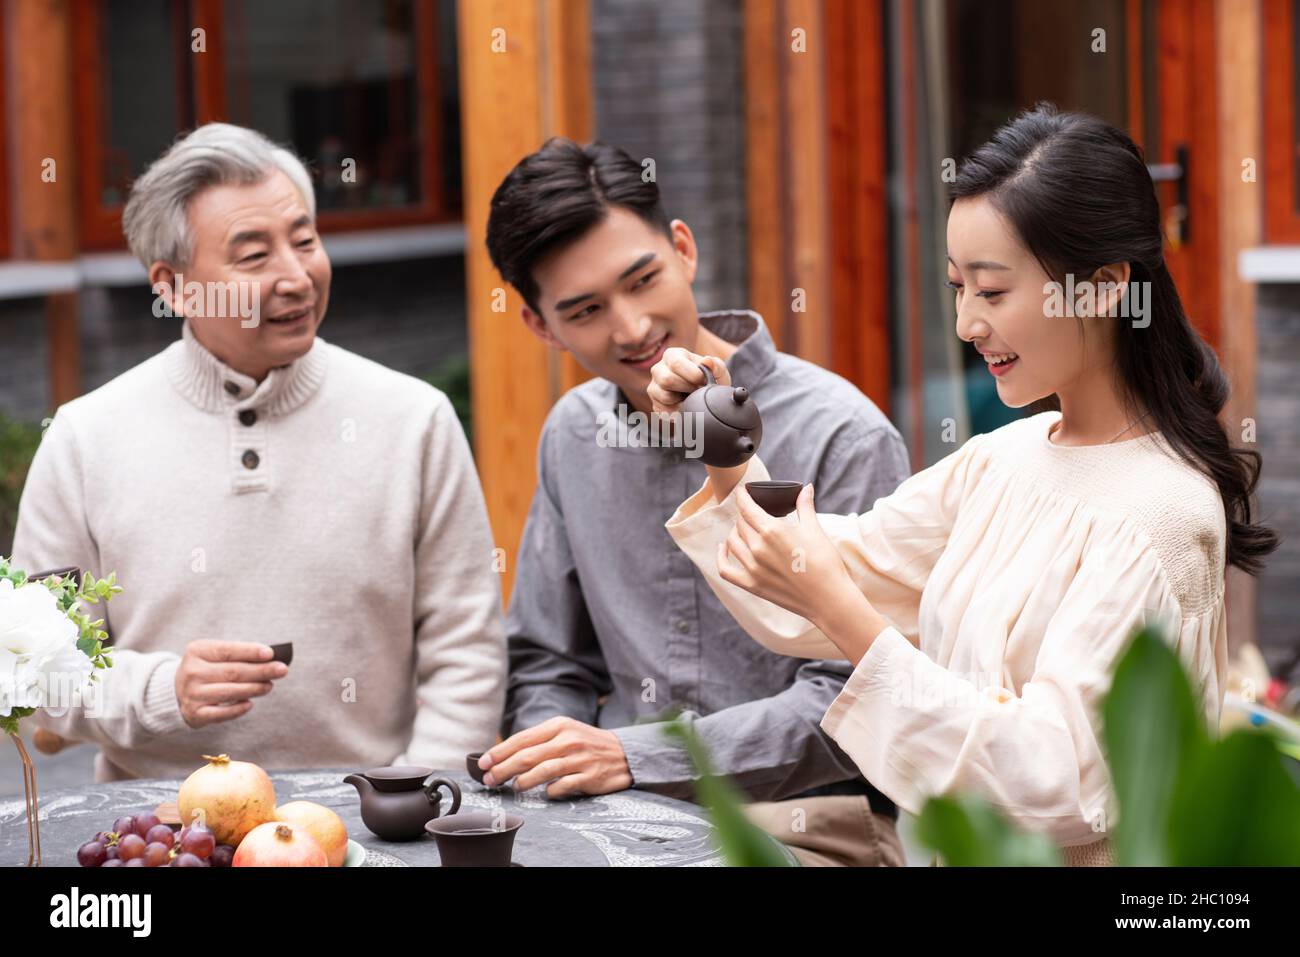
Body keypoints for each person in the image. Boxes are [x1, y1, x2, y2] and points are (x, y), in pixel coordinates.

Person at [652, 104, 1278, 866]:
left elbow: (1056, 781)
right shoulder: (1001, 459)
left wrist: (847, 618)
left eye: (992, 291)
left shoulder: (1162, 514)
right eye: (957, 288)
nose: (965, 324)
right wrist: (721, 445)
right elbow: (826, 570)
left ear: (1105, 286)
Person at [12, 123, 506, 781]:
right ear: (174, 285)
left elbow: (466, 646)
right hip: (159, 834)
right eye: (254, 256)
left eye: (305, 241)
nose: (297, 277)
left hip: (368, 825)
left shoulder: (413, 419)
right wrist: (165, 690)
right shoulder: (84, 438)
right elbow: (40, 668)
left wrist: (425, 794)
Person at [476, 138, 913, 866]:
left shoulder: (843, 432)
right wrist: (555, 757)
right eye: (584, 310)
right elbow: (551, 661)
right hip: (608, 822)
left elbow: (856, 697)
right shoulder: (573, 435)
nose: (632, 327)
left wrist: (633, 755)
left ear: (682, 249)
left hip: (810, 827)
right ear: (540, 327)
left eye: (642, 280)